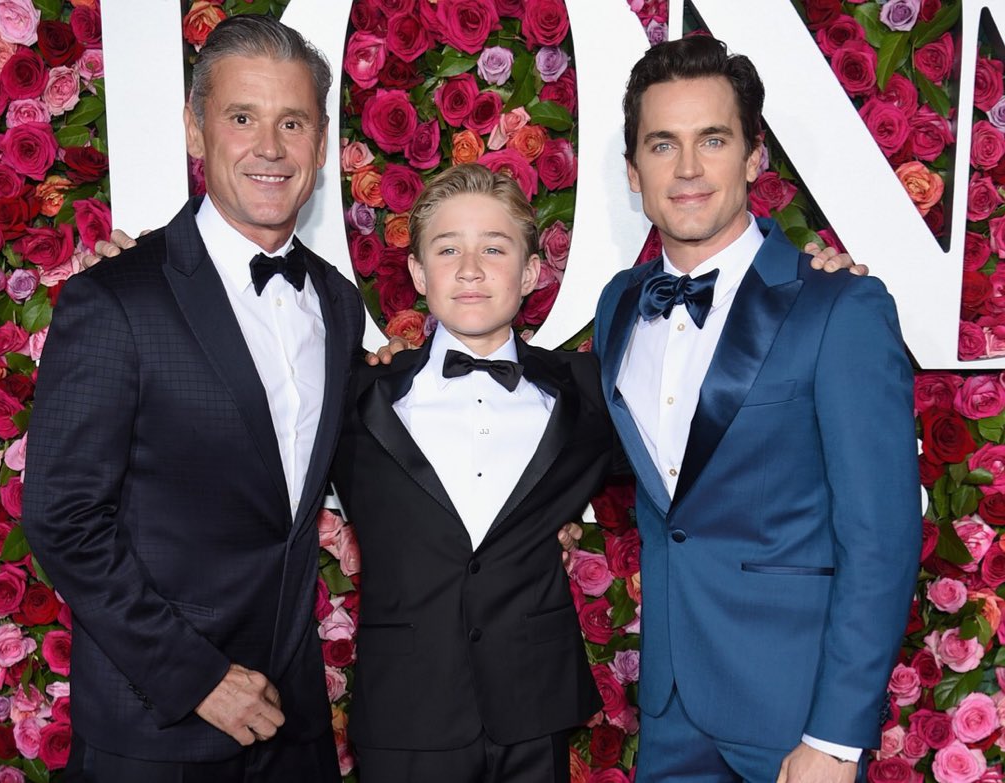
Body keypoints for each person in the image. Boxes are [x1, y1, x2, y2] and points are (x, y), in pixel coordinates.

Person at [21, 15, 357, 782]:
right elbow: (62, 516)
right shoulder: (116, 300)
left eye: (293, 122)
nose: (269, 148)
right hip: (158, 731)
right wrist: (198, 676)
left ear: (322, 140)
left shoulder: (337, 303)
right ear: (195, 130)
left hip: (295, 732)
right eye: (242, 118)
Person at [593, 36, 920, 783]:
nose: (686, 169)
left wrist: (835, 739)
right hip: (671, 715)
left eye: (712, 139)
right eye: (661, 144)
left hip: (793, 719)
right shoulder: (618, 305)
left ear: (752, 157)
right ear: (633, 169)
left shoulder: (839, 306)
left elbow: (882, 536)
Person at [328, 164, 619, 783]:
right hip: (406, 714)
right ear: (417, 273)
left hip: (534, 711)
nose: (470, 268)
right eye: (447, 248)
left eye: (494, 247)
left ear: (532, 272)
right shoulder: (355, 398)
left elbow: (689, 437)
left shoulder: (587, 393)